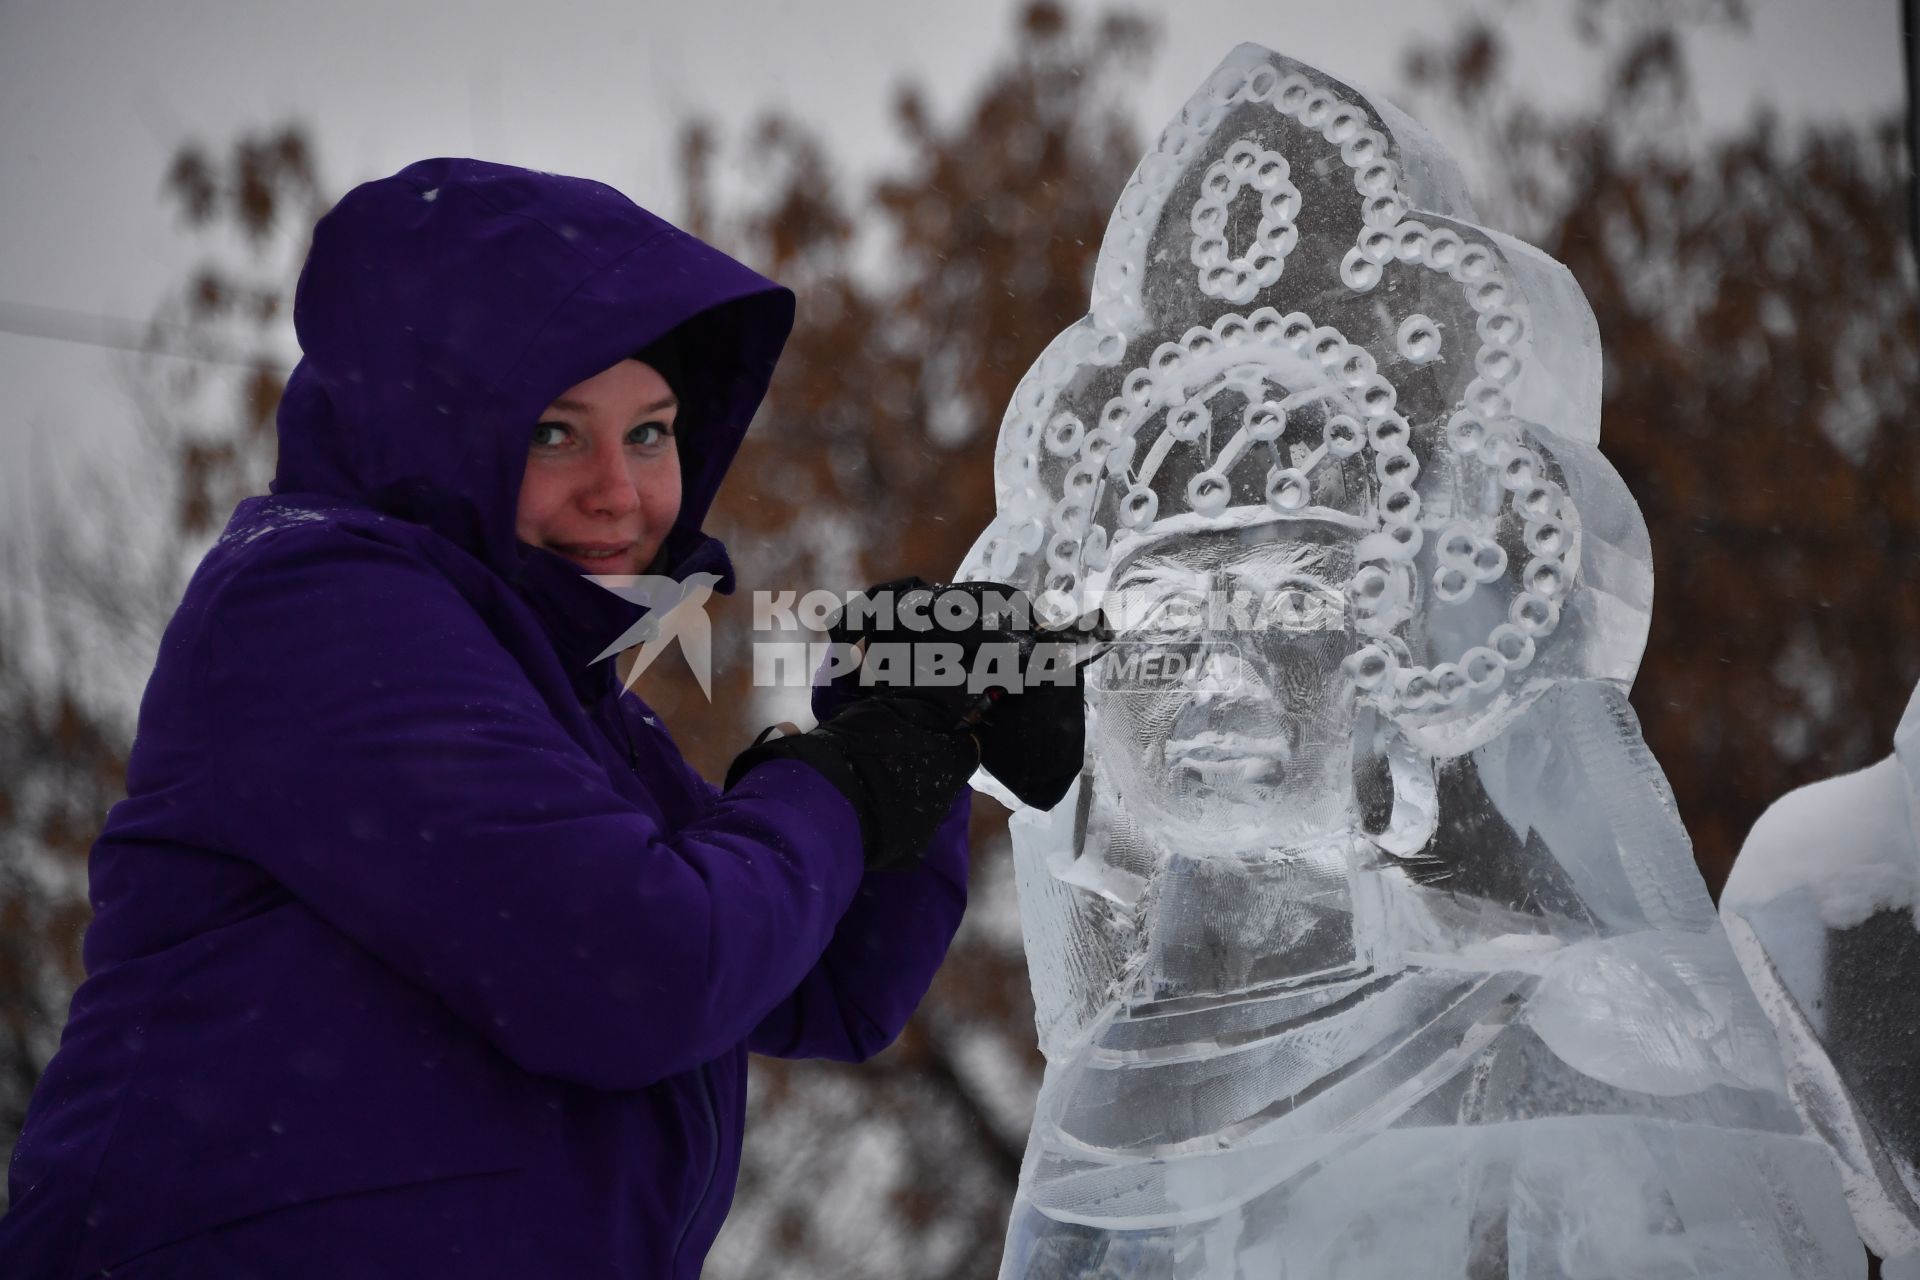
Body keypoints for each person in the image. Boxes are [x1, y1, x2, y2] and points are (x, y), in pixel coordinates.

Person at [0, 157, 1077, 1278]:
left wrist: (919, 717)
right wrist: (847, 779)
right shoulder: (312, 609)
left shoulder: (561, 695)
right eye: (556, 431)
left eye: (652, 431)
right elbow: (653, 967)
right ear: (433, 423)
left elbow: (829, 982)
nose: (620, 489)